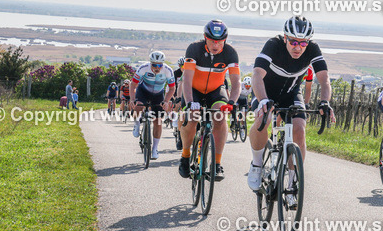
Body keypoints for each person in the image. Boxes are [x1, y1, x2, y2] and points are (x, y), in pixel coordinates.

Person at [246, 16, 335, 192]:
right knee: (263, 118)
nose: (298, 47)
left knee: (299, 129)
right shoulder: (273, 45)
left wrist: (325, 101)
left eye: (303, 43)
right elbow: (257, 74)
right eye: (293, 42)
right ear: (285, 38)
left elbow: (324, 79)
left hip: (291, 93)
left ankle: (293, 182)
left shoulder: (313, 49)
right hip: (265, 91)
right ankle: (256, 164)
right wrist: (263, 99)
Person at [178, 20, 240, 180]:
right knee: (192, 117)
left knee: (220, 117)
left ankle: (217, 164)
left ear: (225, 40)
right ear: (205, 37)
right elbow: (187, 80)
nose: (216, 44)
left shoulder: (231, 53)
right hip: (194, 90)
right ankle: (185, 156)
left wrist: (231, 102)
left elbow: (236, 83)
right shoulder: (194, 49)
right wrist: (190, 102)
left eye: (220, 41)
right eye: (212, 40)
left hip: (215, 90)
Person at [131, 51, 176, 159]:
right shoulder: (143, 68)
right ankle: (136, 123)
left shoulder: (168, 70)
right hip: (143, 91)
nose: (157, 67)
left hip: (158, 94)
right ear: (150, 63)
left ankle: (155, 148)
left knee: (158, 121)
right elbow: (133, 84)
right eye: (154, 65)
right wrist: (132, 99)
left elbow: (172, 88)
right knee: (139, 106)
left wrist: (166, 101)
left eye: (159, 65)